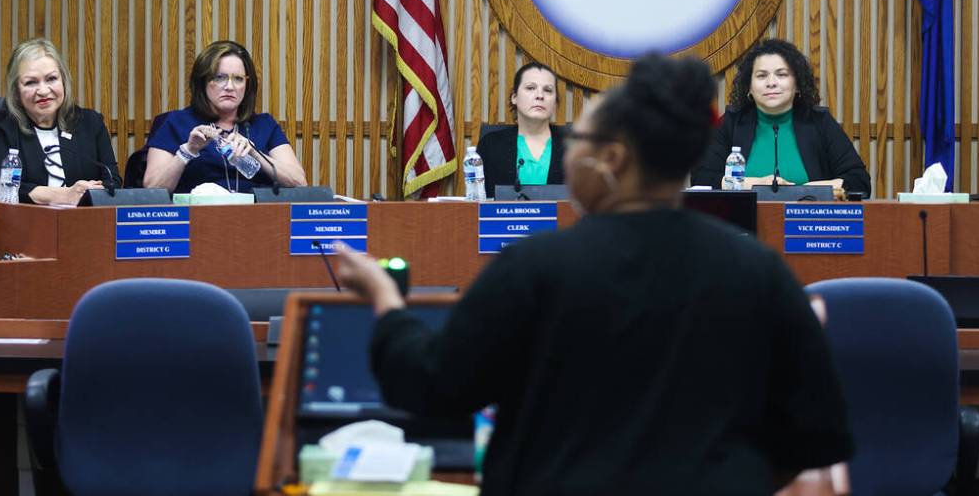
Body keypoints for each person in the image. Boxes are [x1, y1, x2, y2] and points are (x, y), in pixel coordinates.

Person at [337, 53, 853, 496]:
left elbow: (433, 386)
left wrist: (385, 301)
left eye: (579, 137)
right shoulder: (760, 272)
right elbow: (818, 434)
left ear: (611, 159)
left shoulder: (535, 267)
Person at [691, 38, 871, 197]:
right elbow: (702, 179)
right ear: (750, 87)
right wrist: (754, 185)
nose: (771, 83)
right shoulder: (732, 122)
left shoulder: (819, 122)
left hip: (807, 227)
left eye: (782, 74)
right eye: (761, 76)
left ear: (798, 84)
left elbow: (859, 182)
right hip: (741, 229)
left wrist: (804, 191)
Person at [144, 40, 307, 194]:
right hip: (196, 217)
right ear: (203, 82)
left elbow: (299, 182)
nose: (230, 87)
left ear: (247, 85)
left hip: (259, 216)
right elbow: (153, 188)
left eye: (238, 79)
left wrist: (255, 153)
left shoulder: (263, 125)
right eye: (219, 77)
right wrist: (188, 151)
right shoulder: (176, 123)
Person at [0, 38, 119, 205]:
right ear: (16, 90)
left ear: (64, 80)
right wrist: (62, 195)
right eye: (31, 82)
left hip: (82, 222)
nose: (43, 91)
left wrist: (92, 192)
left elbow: (112, 181)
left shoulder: (90, 122)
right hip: (26, 224)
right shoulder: (2, 127)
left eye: (51, 79)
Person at [475, 62, 566, 198]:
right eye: (530, 88)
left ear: (555, 103)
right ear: (514, 97)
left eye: (548, 90)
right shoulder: (491, 145)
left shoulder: (575, 146)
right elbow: (477, 204)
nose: (540, 95)